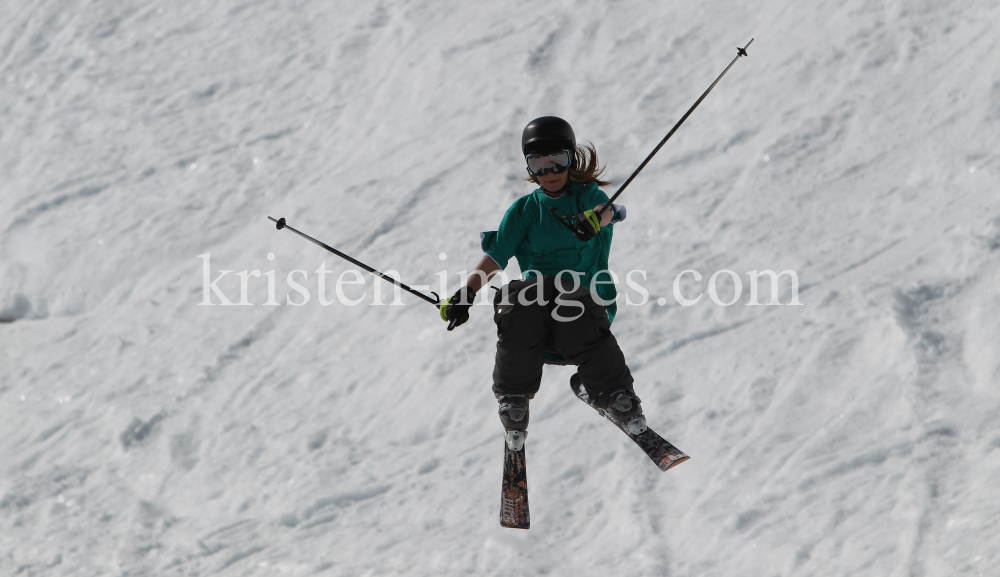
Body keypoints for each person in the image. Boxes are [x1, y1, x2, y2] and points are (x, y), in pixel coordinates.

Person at [440, 116, 647, 451]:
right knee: (517, 297)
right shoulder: (525, 210)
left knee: (571, 299)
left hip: (585, 309)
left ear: (571, 158)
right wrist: (466, 294)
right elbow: (497, 255)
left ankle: (617, 395)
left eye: (558, 161)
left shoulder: (585, 198)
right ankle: (514, 399)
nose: (549, 172)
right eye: (538, 164)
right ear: (529, 167)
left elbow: (607, 209)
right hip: (538, 321)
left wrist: (595, 220)